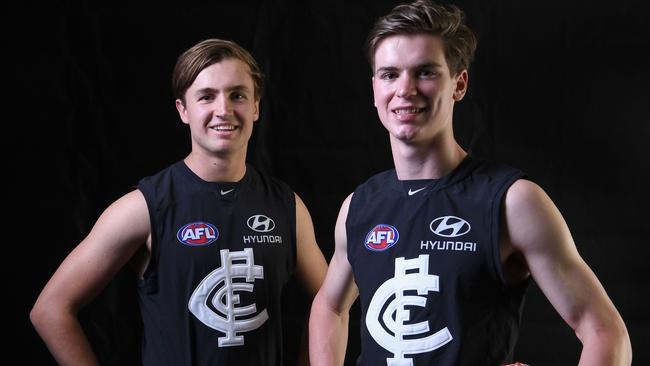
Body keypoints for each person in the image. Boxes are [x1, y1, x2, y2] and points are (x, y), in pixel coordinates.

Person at [309, 1, 632, 365]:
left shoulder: (512, 202)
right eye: (389, 74)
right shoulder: (359, 206)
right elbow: (330, 306)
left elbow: (605, 331)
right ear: (374, 89)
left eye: (425, 72)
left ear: (459, 84)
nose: (405, 89)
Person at [30, 38, 328, 366]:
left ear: (256, 106)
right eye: (206, 97)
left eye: (237, 95)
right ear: (183, 110)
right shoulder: (143, 208)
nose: (224, 110)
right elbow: (51, 310)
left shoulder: (286, 206)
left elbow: (330, 304)